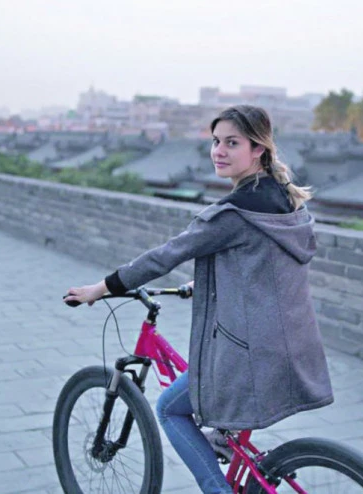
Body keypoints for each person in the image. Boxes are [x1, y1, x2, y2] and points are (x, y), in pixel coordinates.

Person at [64, 105, 334, 494]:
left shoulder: (232, 214)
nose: (218, 151)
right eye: (215, 141)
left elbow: (163, 257)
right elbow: (262, 265)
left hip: (250, 357)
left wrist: (101, 288)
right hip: (292, 345)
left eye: (232, 143)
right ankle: (225, 439)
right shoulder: (286, 201)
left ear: (258, 149)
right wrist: (206, 281)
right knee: (210, 399)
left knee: (169, 410)